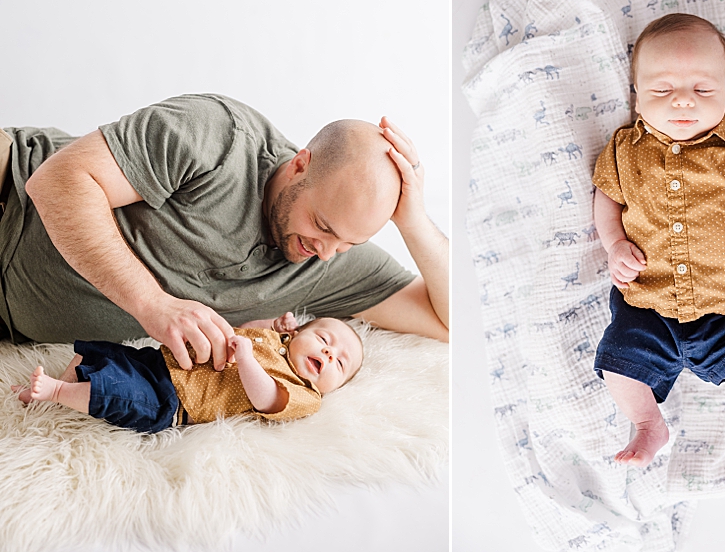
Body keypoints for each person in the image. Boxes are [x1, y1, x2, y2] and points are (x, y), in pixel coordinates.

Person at [0, 94, 448, 374]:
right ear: (299, 166)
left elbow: (453, 322)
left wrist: (414, 220)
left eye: (350, 243)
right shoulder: (221, 137)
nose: (326, 252)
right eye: (323, 226)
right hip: (10, 194)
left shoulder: (328, 260)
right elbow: (57, 183)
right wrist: (153, 305)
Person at [591, 13, 725, 493]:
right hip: (648, 304)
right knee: (616, 367)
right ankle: (648, 425)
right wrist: (614, 243)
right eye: (662, 91)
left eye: (702, 89)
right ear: (636, 96)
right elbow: (607, 201)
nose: (682, 100)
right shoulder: (624, 149)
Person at [12, 311, 362, 433]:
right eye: (323, 339)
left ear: (334, 386)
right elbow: (244, 332)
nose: (330, 353)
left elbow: (265, 397)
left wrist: (248, 360)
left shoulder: (305, 395)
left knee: (116, 393)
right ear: (296, 333)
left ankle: (55, 392)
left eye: (340, 364)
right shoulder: (276, 340)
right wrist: (269, 324)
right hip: (163, 363)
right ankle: (48, 392)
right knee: (103, 355)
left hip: (175, 402)